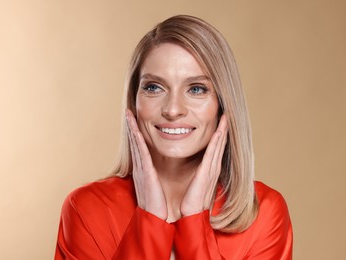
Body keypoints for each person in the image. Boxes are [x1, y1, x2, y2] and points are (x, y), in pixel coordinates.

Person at [55, 15, 293, 259]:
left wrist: (193, 221)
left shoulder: (263, 213)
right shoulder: (87, 209)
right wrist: (149, 219)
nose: (172, 109)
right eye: (154, 87)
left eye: (196, 89)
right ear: (134, 101)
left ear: (223, 105)